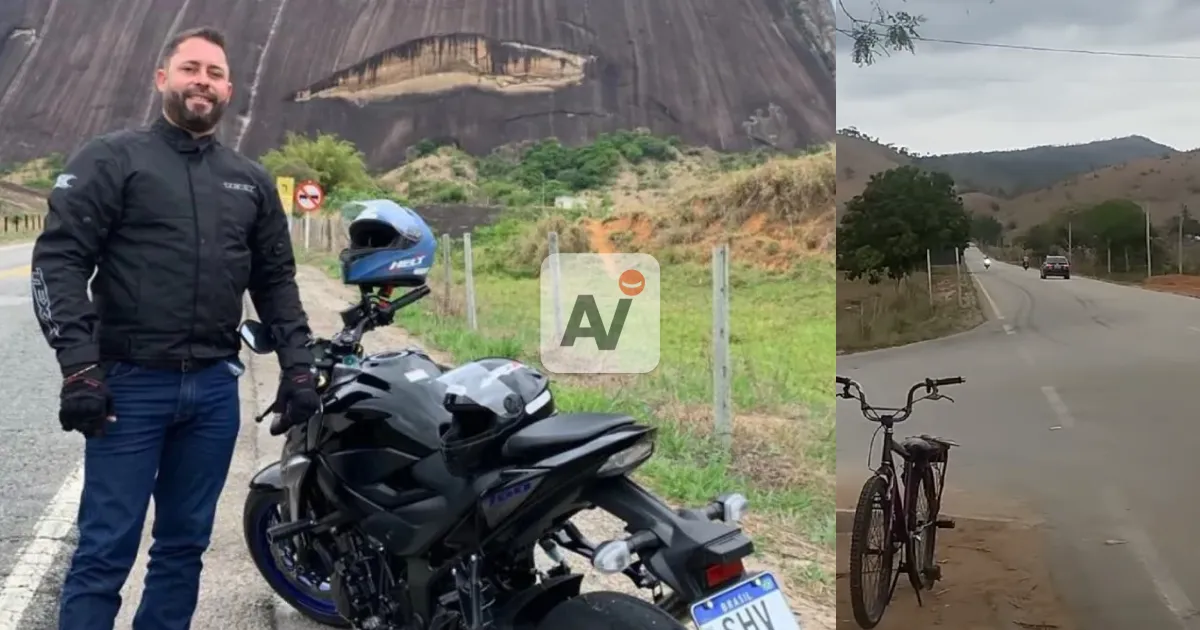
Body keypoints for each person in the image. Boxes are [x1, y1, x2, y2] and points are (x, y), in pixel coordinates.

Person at [29, 26, 321, 630]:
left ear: (229, 90)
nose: (202, 82)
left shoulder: (250, 181)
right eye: (190, 69)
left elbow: (276, 283)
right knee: (105, 548)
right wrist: (79, 368)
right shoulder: (112, 159)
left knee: (184, 547)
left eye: (214, 74)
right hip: (129, 388)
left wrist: (299, 366)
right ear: (162, 77)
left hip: (215, 390)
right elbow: (59, 262)